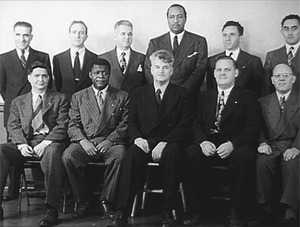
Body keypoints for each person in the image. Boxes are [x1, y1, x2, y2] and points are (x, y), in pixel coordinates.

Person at [109, 49, 192, 227]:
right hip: (145, 141)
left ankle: (168, 211)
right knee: (130, 156)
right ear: (151, 69)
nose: (161, 71)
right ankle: (121, 211)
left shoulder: (182, 93)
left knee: (172, 155)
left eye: (165, 67)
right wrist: (137, 139)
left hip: (170, 141)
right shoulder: (139, 93)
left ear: (172, 70)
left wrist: (165, 142)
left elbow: (185, 125)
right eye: (157, 67)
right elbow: (131, 122)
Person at [184, 56, 260, 227]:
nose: (222, 73)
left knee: (244, 157)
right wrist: (202, 141)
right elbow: (194, 122)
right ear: (214, 73)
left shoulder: (247, 96)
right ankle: (198, 209)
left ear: (236, 73)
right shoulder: (204, 96)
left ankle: (237, 211)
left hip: (235, 145)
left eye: (227, 69)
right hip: (209, 145)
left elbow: (252, 127)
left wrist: (233, 144)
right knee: (191, 154)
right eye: (219, 70)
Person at [0, 61, 69, 227]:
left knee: (53, 153)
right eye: (37, 76)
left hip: (50, 141)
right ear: (29, 78)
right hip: (26, 142)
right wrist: (21, 144)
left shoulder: (60, 98)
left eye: (45, 76)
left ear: (49, 78)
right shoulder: (18, 101)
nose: (41, 79)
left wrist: (45, 143)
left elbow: (63, 125)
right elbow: (13, 125)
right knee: (1, 150)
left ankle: (51, 209)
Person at [62, 58, 129, 218]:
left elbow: (125, 124)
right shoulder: (78, 97)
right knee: (68, 156)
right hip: (86, 141)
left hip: (111, 142)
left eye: (104, 73)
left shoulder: (122, 96)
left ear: (109, 75)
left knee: (120, 156)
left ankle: (107, 200)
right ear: (90, 75)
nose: (101, 76)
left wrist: (110, 140)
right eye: (97, 73)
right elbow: (72, 124)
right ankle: (83, 199)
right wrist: (83, 141)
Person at [0, 21, 52, 201]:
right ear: (13, 36)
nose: (22, 38)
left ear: (31, 36)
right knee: (14, 151)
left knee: (37, 151)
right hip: (16, 111)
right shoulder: (3, 58)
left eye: (26, 35)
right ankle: (13, 191)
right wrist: (17, 103)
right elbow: (2, 87)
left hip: (39, 110)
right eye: (18, 35)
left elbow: (46, 82)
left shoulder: (42, 56)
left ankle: (41, 193)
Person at [257, 63, 299, 227]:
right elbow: (258, 126)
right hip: (271, 145)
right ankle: (264, 206)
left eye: (286, 76)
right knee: (262, 161)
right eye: (278, 76)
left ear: (293, 79)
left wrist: (297, 147)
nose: (282, 79)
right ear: (272, 80)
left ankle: (291, 209)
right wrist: (262, 142)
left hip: (293, 144)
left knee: (293, 163)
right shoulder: (262, 101)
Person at [144, 4, 207, 99]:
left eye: (180, 17)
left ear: (185, 18)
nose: (176, 20)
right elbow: (149, 69)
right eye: (172, 17)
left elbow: (200, 70)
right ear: (167, 19)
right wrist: (162, 90)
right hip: (161, 97)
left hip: (188, 96)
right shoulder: (155, 43)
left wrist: (181, 92)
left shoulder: (199, 41)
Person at [207, 21, 267, 97]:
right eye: (225, 35)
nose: (227, 39)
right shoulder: (212, 61)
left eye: (232, 35)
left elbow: (260, 91)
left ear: (240, 37)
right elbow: (210, 91)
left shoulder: (253, 62)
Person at [53, 20, 98, 99]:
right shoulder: (58, 59)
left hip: (88, 102)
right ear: (69, 35)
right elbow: (57, 85)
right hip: (65, 104)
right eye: (74, 32)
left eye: (81, 32)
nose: (77, 36)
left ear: (86, 36)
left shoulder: (95, 58)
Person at [100, 20, 146, 95]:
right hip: (110, 103)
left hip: (135, 103)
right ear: (115, 36)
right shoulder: (103, 58)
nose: (127, 37)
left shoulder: (142, 58)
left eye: (129, 34)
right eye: (123, 34)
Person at [264, 14, 300, 93]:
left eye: (294, 28)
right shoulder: (272, 56)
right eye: (286, 29)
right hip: (279, 103)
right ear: (282, 31)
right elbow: (266, 87)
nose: (290, 33)